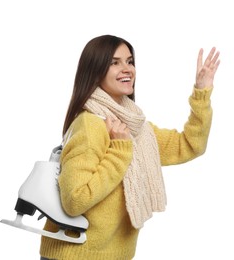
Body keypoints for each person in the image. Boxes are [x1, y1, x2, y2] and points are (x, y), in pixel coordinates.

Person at [39, 34, 220, 260]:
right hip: (74, 255)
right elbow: (75, 200)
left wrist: (201, 94)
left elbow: (190, 145)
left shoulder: (135, 127)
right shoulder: (90, 124)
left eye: (130, 61)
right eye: (114, 63)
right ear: (95, 71)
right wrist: (119, 150)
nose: (127, 69)